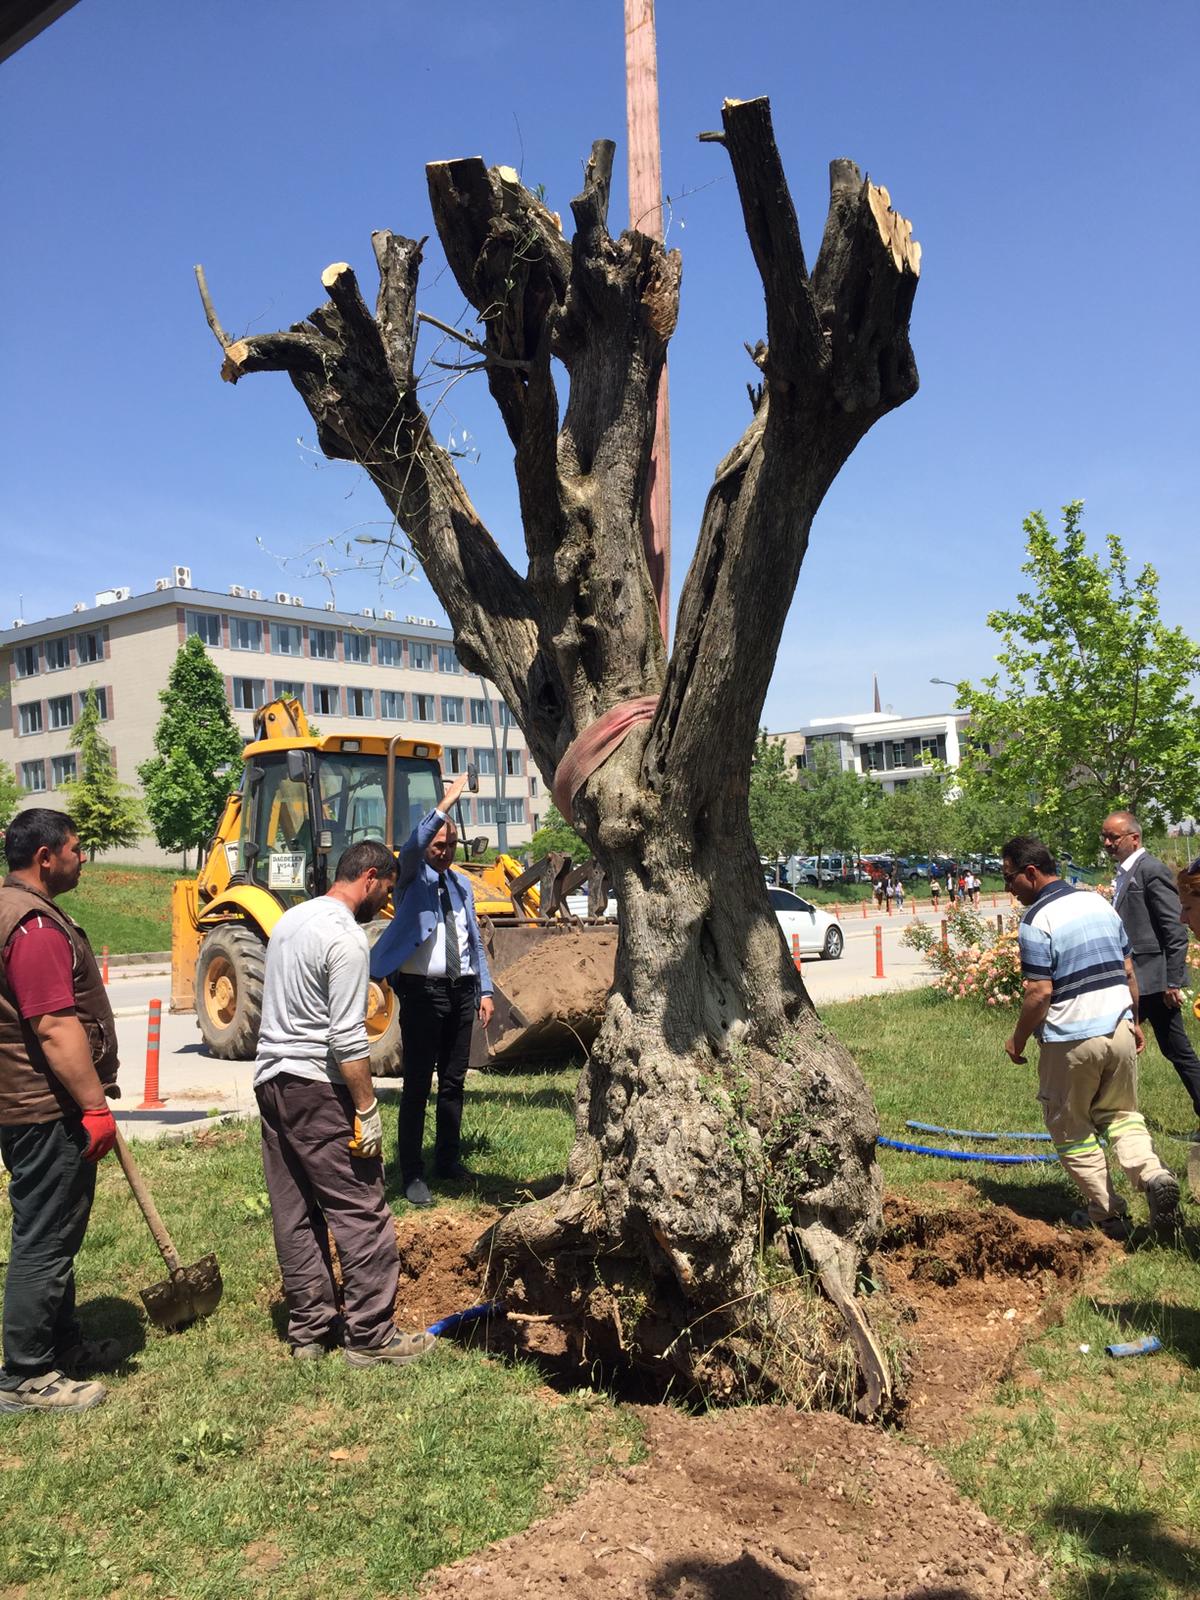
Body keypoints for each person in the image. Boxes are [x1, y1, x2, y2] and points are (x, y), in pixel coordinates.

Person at [254, 839, 432, 1366]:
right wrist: (367, 1110)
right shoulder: (348, 939)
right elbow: (348, 1041)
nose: (388, 900)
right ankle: (371, 1336)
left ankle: (309, 1330)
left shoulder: (290, 921)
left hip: (272, 1082)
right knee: (361, 1209)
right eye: (388, 889)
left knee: (294, 1209)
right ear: (371, 877)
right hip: (318, 1087)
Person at [0, 809, 121, 1414]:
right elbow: (52, 1026)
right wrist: (94, 1106)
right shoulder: (33, 928)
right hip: (45, 1108)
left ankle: (60, 1343)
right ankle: (25, 1375)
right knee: (45, 1238)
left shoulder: (11, 909)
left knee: (55, 1232)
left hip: (29, 1104)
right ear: (45, 857)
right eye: (76, 849)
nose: (82, 859)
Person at [1001, 834, 1181, 1239]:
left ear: (1031, 873)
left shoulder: (1036, 921)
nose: (1008, 890)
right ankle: (1152, 1175)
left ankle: (1107, 1217)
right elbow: (1129, 971)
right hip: (1117, 1029)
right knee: (1122, 1116)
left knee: (1071, 1127)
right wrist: (1133, 1022)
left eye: (1010, 879)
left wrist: (1017, 1041)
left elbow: (1039, 992)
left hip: (1071, 1041)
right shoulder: (1098, 902)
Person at [369, 772, 495, 1208]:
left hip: (462, 991)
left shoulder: (461, 885)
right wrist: (445, 804)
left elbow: (473, 940)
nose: (444, 853)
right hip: (423, 994)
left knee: (455, 1080)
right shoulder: (410, 877)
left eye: (450, 846)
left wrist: (485, 991)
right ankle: (413, 1173)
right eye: (438, 846)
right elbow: (409, 845)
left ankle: (447, 1160)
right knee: (419, 1082)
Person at [1101, 810, 1200, 1130]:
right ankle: (1105, 1114)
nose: (1107, 843)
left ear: (1134, 838)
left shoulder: (1151, 870)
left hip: (1153, 982)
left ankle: (1101, 1116)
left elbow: (1175, 927)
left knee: (1116, 1043)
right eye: (1104, 837)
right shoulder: (1126, 872)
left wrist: (1174, 980)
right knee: (1169, 1050)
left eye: (1113, 837)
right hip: (1136, 978)